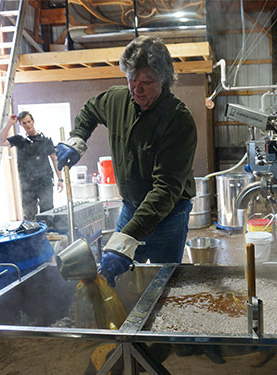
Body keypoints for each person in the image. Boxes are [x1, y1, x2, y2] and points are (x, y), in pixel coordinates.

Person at [56, 35, 197, 287]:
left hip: (169, 216)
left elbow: (165, 190)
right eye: (131, 79)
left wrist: (127, 239)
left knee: (163, 283)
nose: (136, 89)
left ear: (163, 81)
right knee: (114, 278)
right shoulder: (117, 100)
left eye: (146, 82)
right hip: (130, 207)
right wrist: (76, 140)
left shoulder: (179, 121)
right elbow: (90, 110)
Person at [0, 111, 64, 221]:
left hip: (45, 181)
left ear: (33, 121)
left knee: (47, 213)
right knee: (29, 215)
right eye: (24, 123)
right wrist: (9, 124)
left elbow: (55, 159)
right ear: (21, 124)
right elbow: (0, 142)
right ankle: (33, 236)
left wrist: (60, 179)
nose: (27, 125)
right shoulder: (19, 140)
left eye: (29, 122)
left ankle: (46, 235)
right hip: (27, 184)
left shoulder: (45, 140)